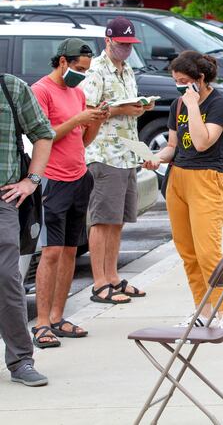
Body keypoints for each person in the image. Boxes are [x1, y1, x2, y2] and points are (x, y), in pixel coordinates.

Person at [142, 51, 223, 339]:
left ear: (200, 79)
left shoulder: (219, 104)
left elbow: (201, 142)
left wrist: (194, 105)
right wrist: (157, 157)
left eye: (184, 82)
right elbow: (174, 145)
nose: (179, 87)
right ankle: (203, 311)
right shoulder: (177, 104)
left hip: (206, 178)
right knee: (188, 252)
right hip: (178, 178)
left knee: (209, 251)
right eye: (176, 82)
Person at [31, 39, 108, 347]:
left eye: (86, 71)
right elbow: (42, 137)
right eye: (78, 69)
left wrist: (96, 121)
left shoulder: (77, 93)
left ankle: (58, 316)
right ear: (62, 61)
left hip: (78, 175)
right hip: (52, 179)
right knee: (50, 252)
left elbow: (82, 141)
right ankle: (41, 323)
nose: (81, 75)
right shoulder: (41, 91)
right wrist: (76, 119)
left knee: (70, 251)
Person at [81, 17, 154, 304]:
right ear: (107, 40)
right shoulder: (96, 71)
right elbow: (88, 113)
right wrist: (123, 109)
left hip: (126, 154)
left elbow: (128, 119)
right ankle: (100, 283)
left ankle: (113, 276)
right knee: (102, 220)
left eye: (130, 45)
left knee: (119, 220)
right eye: (122, 44)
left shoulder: (128, 70)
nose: (126, 49)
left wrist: (139, 109)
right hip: (103, 154)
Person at [0, 73, 53, 386]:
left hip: (3, 199)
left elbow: (43, 134)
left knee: (7, 278)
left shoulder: (12, 88)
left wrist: (31, 181)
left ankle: (21, 360)